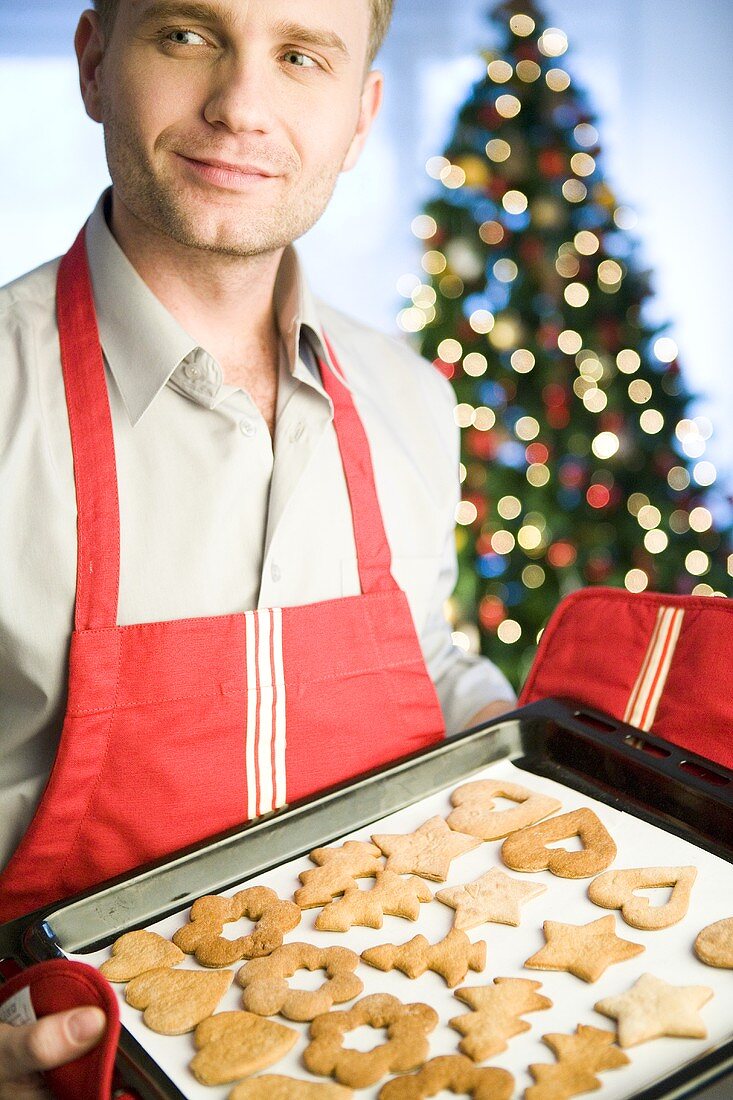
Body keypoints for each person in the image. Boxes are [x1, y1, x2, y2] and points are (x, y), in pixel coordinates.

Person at [0, 0, 514, 1089]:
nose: (241, 106)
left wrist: (519, 737)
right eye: (187, 35)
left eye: (299, 56)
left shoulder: (411, 401)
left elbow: (425, 660)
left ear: (360, 112)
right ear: (95, 62)